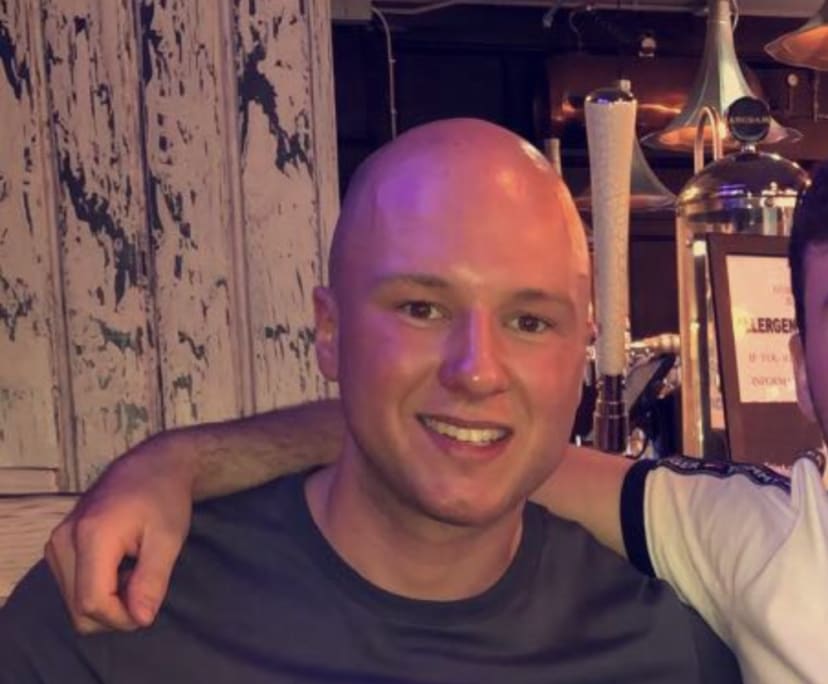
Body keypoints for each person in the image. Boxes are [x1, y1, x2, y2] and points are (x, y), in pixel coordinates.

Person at [0, 118, 741, 683]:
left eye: (529, 322)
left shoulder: (667, 650)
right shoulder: (115, 616)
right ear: (330, 331)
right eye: (422, 309)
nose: (477, 371)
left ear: (582, 351)